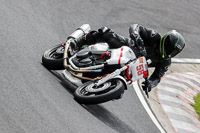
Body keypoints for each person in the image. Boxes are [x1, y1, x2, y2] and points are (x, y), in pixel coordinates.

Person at [70, 24, 185, 92]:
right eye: (169, 47)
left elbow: (157, 76)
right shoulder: (154, 37)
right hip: (126, 46)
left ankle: (100, 84)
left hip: (131, 65)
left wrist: (150, 83)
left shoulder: (165, 61)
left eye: (173, 51)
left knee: (119, 92)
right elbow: (136, 27)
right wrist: (135, 35)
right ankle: (78, 43)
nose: (169, 51)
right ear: (165, 41)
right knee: (106, 32)